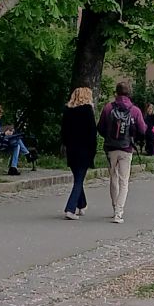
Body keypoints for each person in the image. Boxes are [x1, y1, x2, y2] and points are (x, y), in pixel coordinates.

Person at [100, 82, 147, 223]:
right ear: (129, 93)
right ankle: (118, 212)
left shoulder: (108, 108)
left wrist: (109, 137)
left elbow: (100, 127)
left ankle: (114, 207)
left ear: (116, 92)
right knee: (124, 181)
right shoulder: (135, 110)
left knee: (113, 178)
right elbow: (142, 129)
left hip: (111, 148)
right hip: (126, 148)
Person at [61, 86, 99, 219]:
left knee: (78, 178)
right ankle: (70, 209)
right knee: (78, 180)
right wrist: (93, 151)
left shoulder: (68, 111)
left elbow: (63, 133)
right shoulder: (88, 111)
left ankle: (82, 204)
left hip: (72, 150)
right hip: (84, 150)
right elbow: (92, 133)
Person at [0, 104, 30, 174]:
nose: (1, 115)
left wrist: (8, 132)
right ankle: (27, 154)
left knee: (17, 144)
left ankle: (13, 168)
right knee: (17, 141)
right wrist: (4, 133)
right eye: (0, 114)